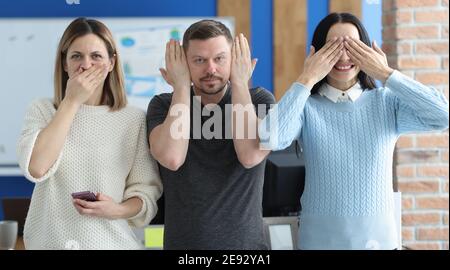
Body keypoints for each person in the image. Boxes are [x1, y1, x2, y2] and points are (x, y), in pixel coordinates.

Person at [259, 13, 449, 250]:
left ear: (368, 51)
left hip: (380, 243)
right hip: (318, 244)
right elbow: (269, 138)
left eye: (353, 46)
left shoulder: (387, 103)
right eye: (333, 47)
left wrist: (385, 73)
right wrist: (307, 78)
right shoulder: (306, 107)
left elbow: (443, 115)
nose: (344, 56)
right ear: (317, 53)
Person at [16, 18, 162, 250]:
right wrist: (72, 101)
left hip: (114, 243)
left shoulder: (132, 118)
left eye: (96, 56)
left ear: (111, 62)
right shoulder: (42, 109)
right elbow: (36, 168)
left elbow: (145, 192)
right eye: (76, 56)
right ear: (64, 64)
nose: (86, 65)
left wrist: (117, 210)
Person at [147, 20, 275, 250]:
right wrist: (181, 87)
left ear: (234, 60)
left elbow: (249, 155)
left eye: (219, 58)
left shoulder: (259, 101)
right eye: (199, 60)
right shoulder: (163, 106)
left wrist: (239, 82)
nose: (210, 69)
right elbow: (172, 158)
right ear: (184, 64)